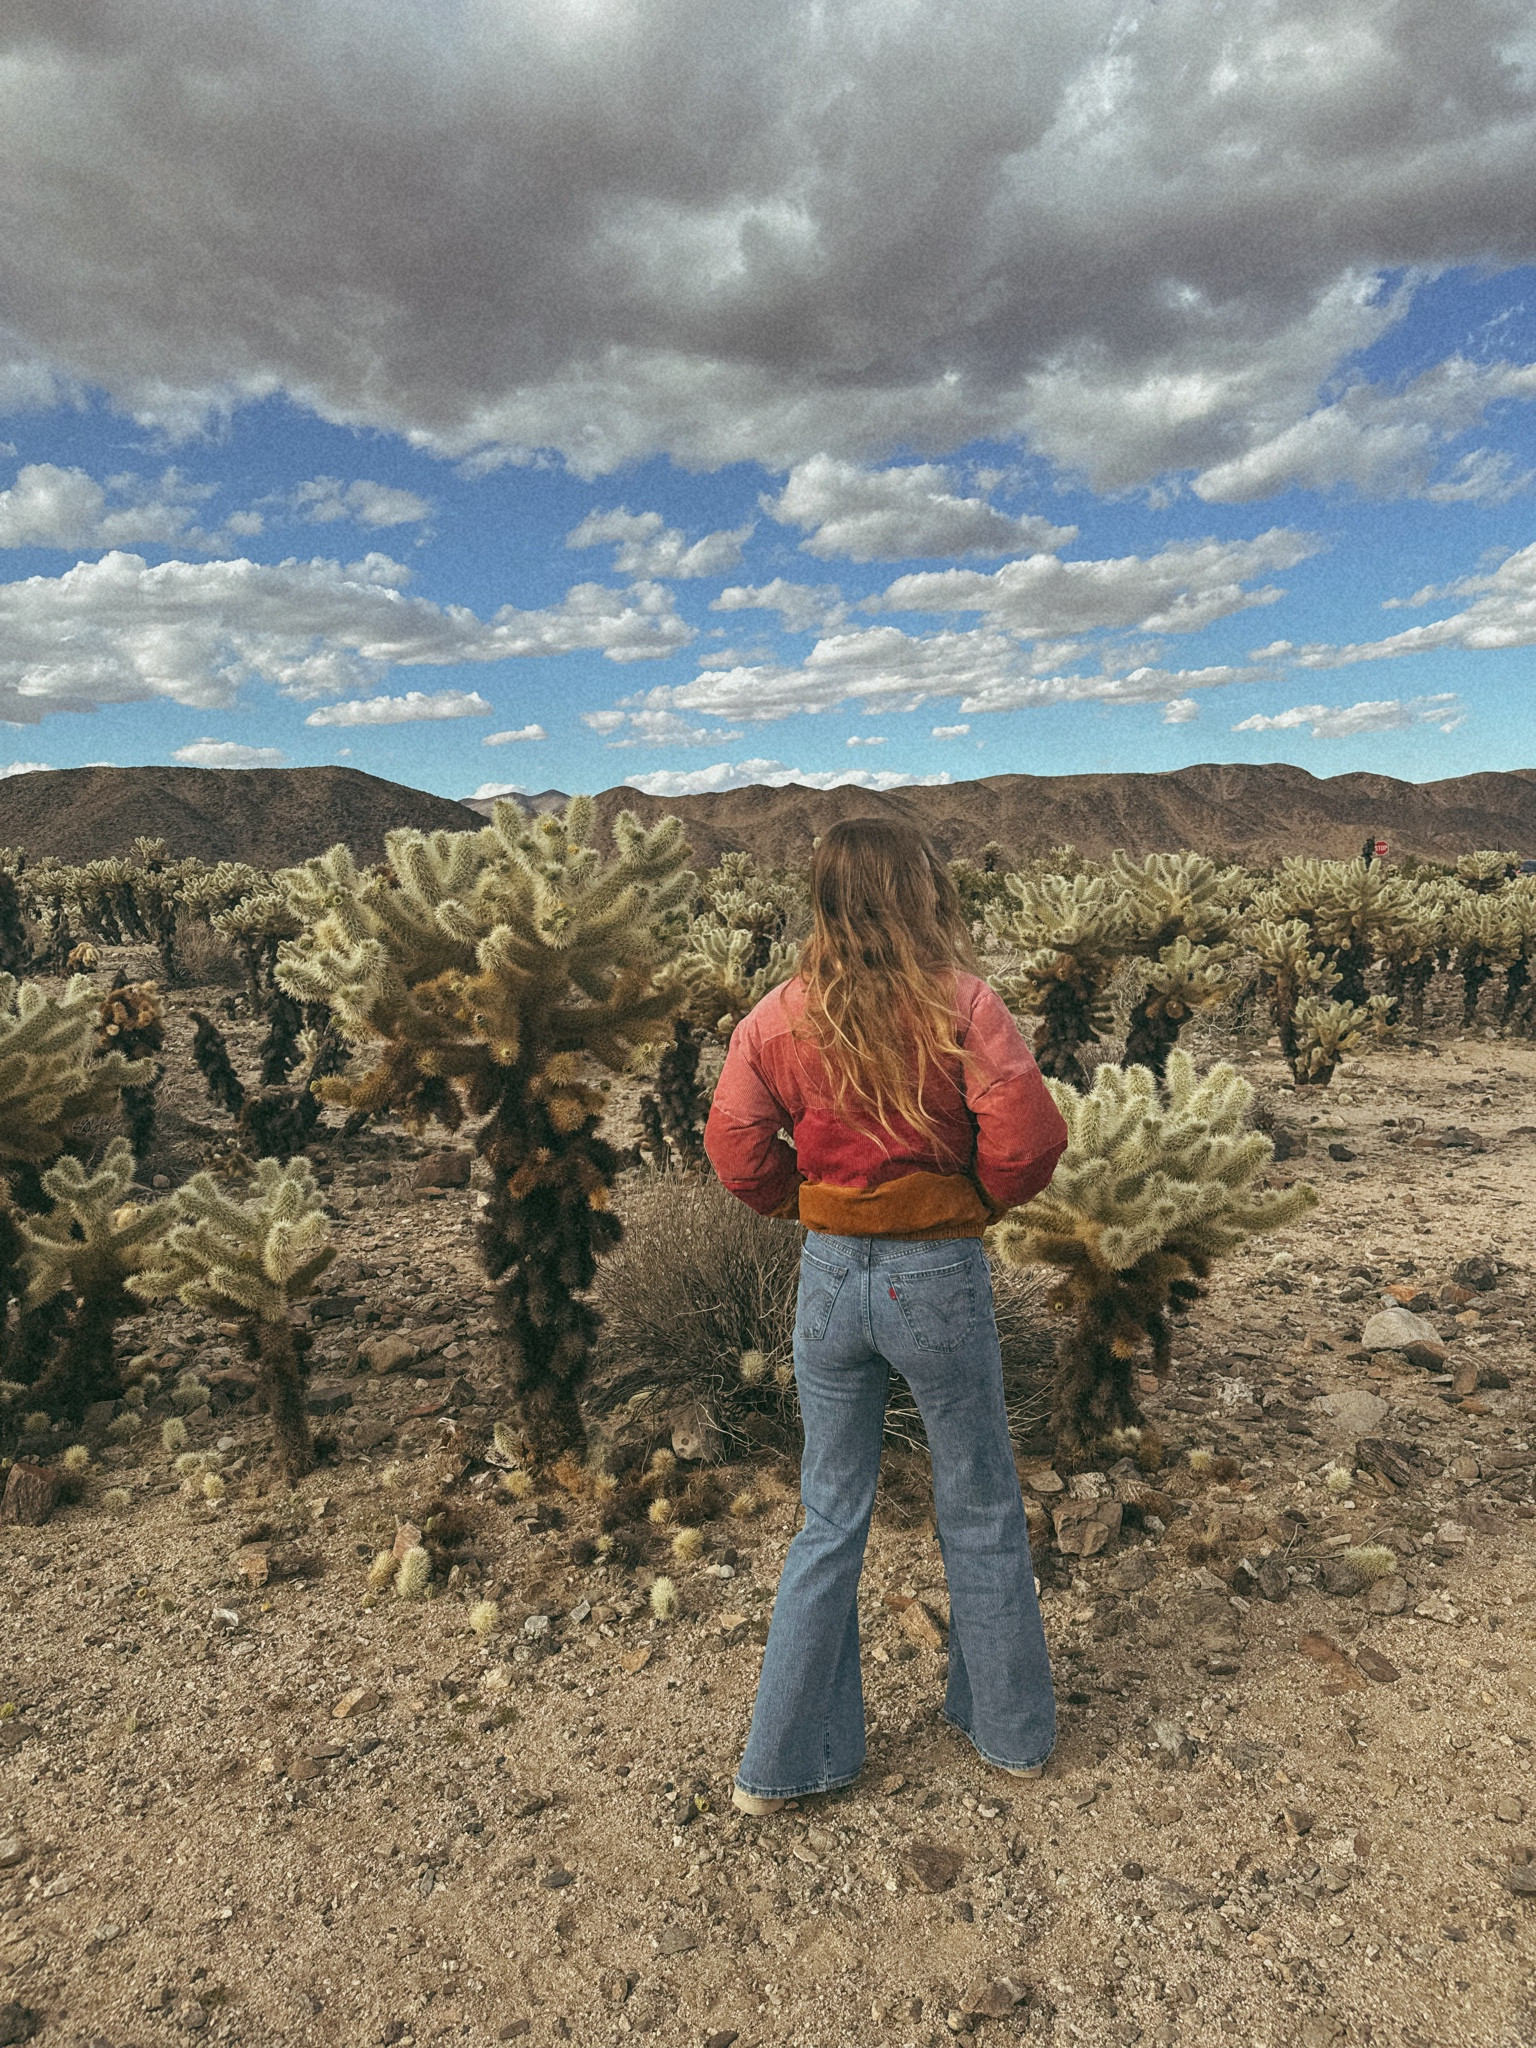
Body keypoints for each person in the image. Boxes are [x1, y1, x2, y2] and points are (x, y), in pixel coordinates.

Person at [703, 816, 1070, 1816]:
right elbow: (1030, 1140)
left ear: (821, 899)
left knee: (829, 1515)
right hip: (938, 1274)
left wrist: (815, 1205)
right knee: (980, 1500)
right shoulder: (965, 1006)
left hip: (828, 1279)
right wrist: (969, 1202)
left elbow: (736, 1147)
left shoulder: (774, 1016)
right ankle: (1008, 1731)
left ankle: (782, 1763)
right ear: (923, 893)